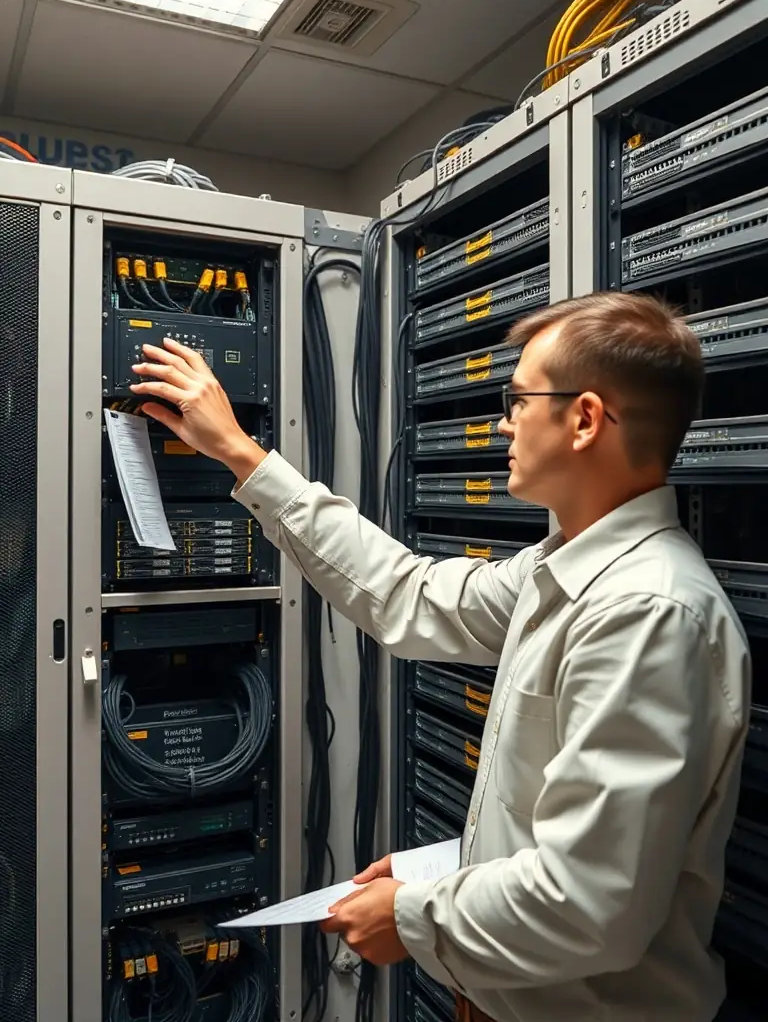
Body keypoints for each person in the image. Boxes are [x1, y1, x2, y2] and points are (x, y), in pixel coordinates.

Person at [130, 291, 751, 1022]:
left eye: (519, 398)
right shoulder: (562, 574)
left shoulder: (645, 613)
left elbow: (592, 903)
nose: (502, 420)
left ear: (584, 419)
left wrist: (415, 913)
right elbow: (411, 595)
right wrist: (240, 452)